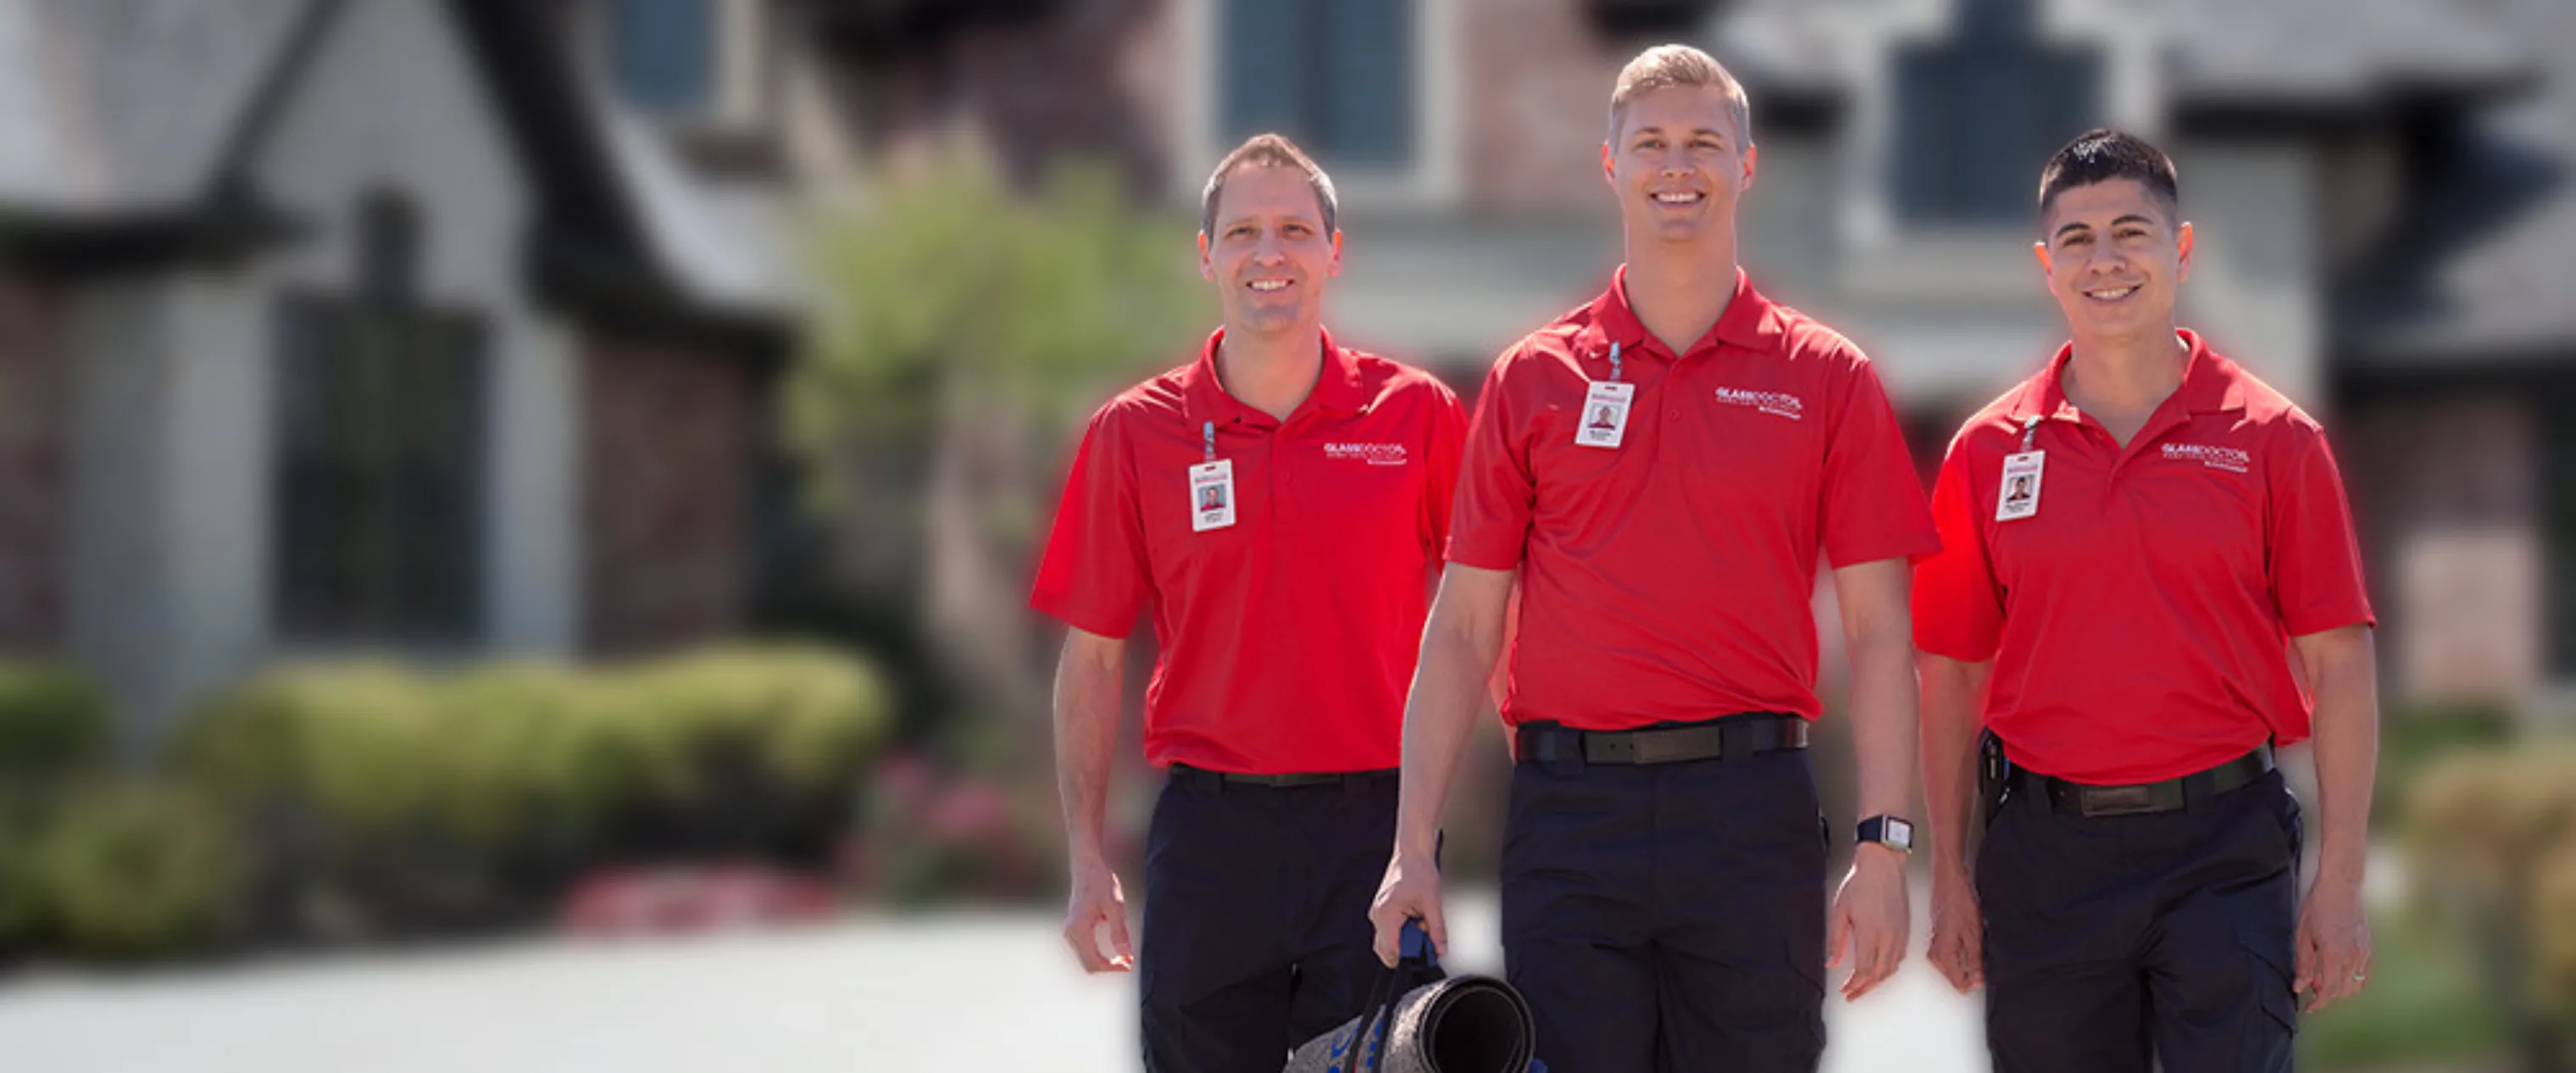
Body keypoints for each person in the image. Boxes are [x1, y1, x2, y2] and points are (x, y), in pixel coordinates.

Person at [1368, 44, 1936, 1073]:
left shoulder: (1827, 377)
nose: (1679, 165)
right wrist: (1413, 848)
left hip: (1751, 814)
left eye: (1704, 142)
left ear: (1747, 165)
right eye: (1654, 144)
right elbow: (1460, 629)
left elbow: (1880, 628)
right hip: (1569, 818)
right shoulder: (1533, 378)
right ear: (1611, 164)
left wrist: (1882, 845)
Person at [1912, 129, 2379, 1073]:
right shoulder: (1987, 451)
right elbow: (1951, 675)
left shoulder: (2275, 442)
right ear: (2046, 267)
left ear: (2182, 249)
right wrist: (1951, 877)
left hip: (2225, 851)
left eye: (2131, 231)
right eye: (2077, 239)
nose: (2106, 259)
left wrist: (2339, 882)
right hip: (2044, 860)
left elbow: (2340, 662)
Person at [1032, 132, 1468, 1073]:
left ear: (1333, 252)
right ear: (1206, 255)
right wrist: (1084, 857)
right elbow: (1094, 656)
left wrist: (1454, 834)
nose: (1268, 254)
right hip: (1207, 840)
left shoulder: (1419, 417)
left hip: (1375, 834)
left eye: (1293, 231)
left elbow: (1485, 623)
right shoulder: (1133, 435)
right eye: (1242, 233)